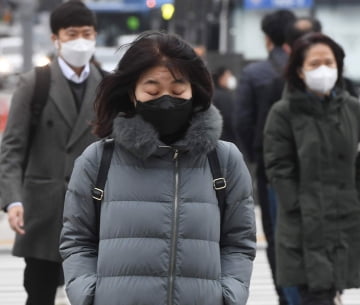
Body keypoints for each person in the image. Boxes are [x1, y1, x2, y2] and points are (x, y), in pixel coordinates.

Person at [59, 31, 256, 305]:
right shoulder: (97, 160)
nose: (166, 99)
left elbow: (239, 242)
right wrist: (90, 296)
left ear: (194, 90)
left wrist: (229, 296)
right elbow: (77, 241)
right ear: (132, 93)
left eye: (177, 91)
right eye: (152, 90)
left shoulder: (223, 160)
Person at [263, 32, 360, 305]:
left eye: (330, 62)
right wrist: (296, 204)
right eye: (314, 63)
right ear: (300, 71)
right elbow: (278, 165)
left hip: (346, 219)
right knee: (315, 294)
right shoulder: (283, 112)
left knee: (334, 289)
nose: (323, 69)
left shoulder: (351, 108)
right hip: (305, 225)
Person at [0, 1, 102, 304]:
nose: (81, 41)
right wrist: (13, 201)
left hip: (92, 210)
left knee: (92, 293)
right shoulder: (35, 83)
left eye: (87, 33)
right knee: (40, 292)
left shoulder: (107, 86)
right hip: (43, 211)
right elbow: (12, 147)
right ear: (55, 38)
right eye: (72, 34)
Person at [235, 9, 297, 305]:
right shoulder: (306, 68)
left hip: (269, 168)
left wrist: (256, 155)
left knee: (276, 235)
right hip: (307, 167)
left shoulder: (254, 73)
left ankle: (286, 295)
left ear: (267, 38)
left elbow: (242, 122)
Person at [212, 66, 237, 143]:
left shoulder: (212, 94)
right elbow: (230, 118)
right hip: (226, 139)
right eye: (228, 76)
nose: (230, 79)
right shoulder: (224, 96)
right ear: (221, 79)